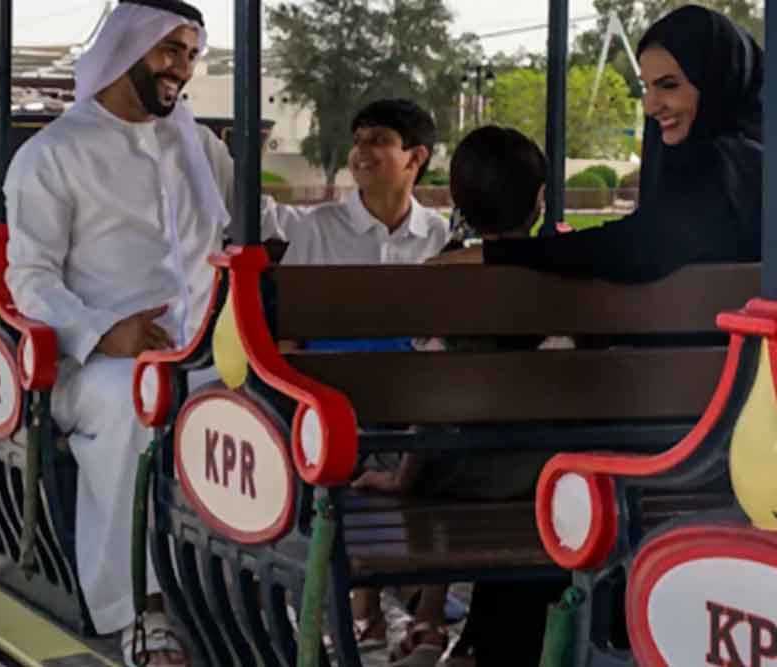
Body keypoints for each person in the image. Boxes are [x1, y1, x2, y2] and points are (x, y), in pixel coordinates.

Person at [4, 1, 289, 663]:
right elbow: (30, 279)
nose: (181, 70)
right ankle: (142, 608)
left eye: (190, 55)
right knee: (141, 402)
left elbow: (248, 225)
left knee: (270, 410)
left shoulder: (199, 145)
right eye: (170, 51)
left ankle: (252, 600)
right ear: (126, 48)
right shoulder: (53, 154)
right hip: (92, 367)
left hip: (198, 356)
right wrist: (107, 331)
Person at [350, 125, 558, 667]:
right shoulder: (572, 273)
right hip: (549, 480)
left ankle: (387, 616)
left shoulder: (444, 278)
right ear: (538, 199)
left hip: (457, 481)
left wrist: (402, 481)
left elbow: (428, 406)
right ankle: (432, 624)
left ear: (457, 202)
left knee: (408, 463)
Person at [439, 5, 763, 283]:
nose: (650, 105)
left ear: (717, 79)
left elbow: (637, 248)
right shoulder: (713, 166)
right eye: (646, 87)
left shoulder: (736, 169)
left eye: (668, 85)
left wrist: (495, 254)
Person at [281, 98, 451, 267]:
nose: (360, 150)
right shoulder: (317, 228)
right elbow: (288, 293)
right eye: (357, 140)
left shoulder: (440, 235)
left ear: (415, 158)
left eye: (379, 140)